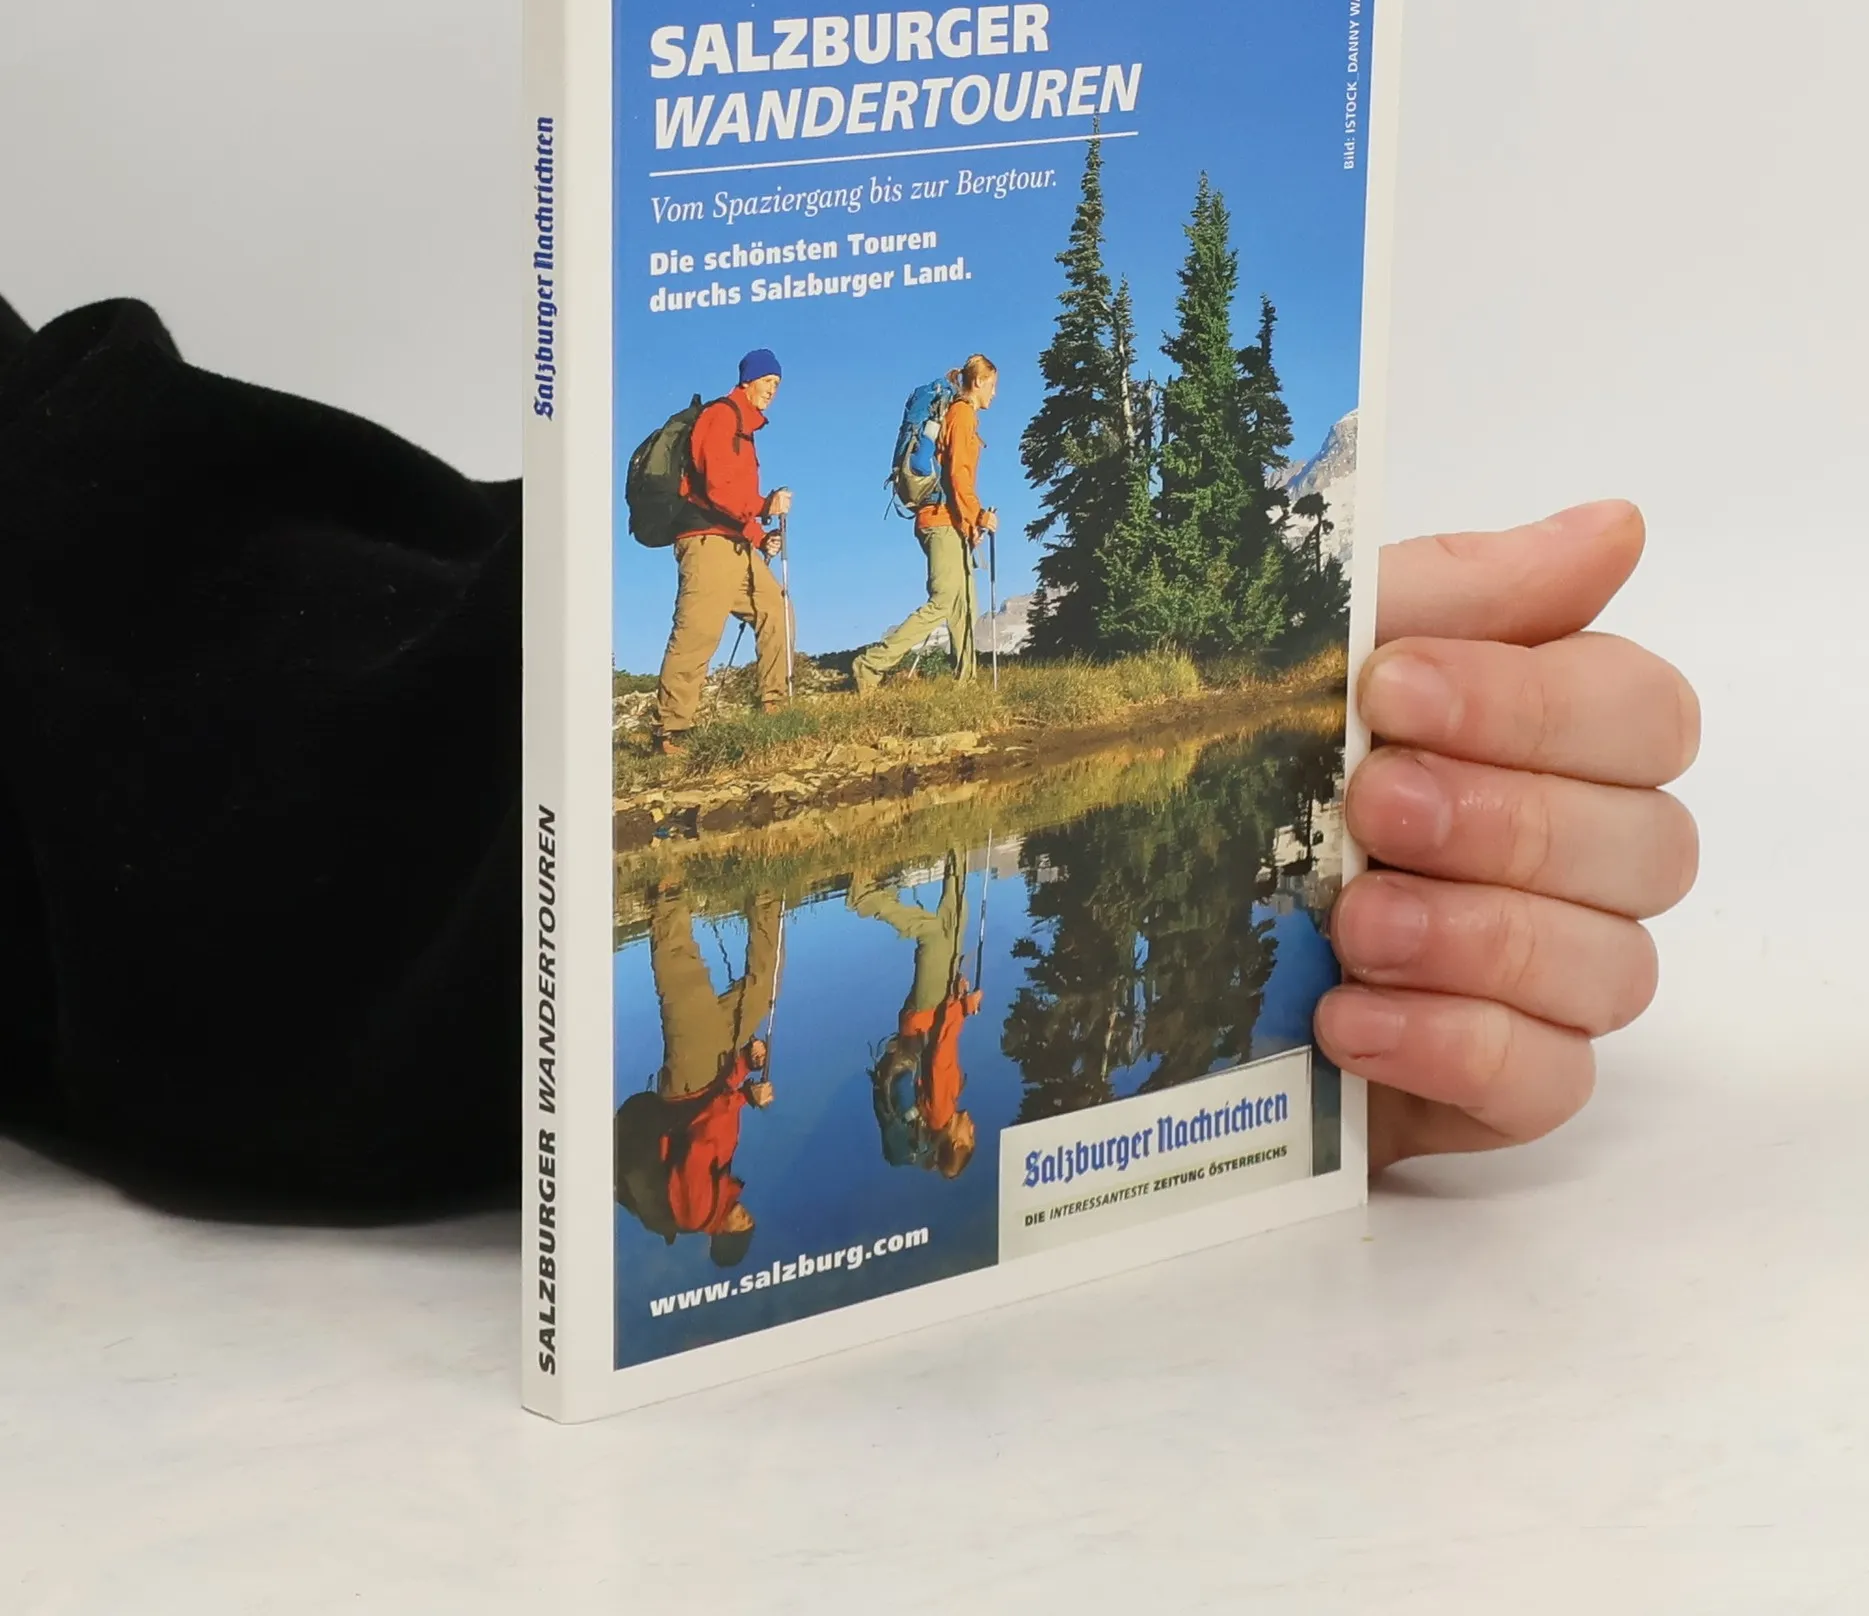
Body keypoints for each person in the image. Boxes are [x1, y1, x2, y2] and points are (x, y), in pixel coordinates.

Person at [0, 293, 1699, 1207]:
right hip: (704, 619)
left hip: (582, 792)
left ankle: (838, 768)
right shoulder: (800, 429)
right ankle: (794, 763)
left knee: (853, 660)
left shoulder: (838, 425)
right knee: (851, 640)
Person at [613, 888, 781, 1268]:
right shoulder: (723, 1186)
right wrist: (745, 1064)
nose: (746, 1217)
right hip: (717, 1071)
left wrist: (747, 1098)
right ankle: (768, 894)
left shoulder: (697, 1212)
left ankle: (668, 899)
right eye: (749, 1221)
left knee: (685, 985)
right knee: (763, 992)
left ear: (722, 1234)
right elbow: (719, 1105)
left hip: (690, 1081)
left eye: (741, 1226)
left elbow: (699, 1138)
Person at [653, 347, 794, 755]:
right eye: (767, 381)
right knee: (698, 633)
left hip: (734, 542)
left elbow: (734, 500)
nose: (773, 389)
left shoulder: (744, 430)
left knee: (776, 609)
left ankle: (774, 705)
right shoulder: (721, 417)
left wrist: (758, 536)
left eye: (777, 383)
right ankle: (670, 731)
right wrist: (765, 506)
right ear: (748, 380)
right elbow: (717, 490)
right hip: (705, 541)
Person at [852, 353, 999, 693]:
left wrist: (969, 524)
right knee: (944, 600)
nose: (994, 393)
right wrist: (978, 515)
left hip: (949, 520)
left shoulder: (960, 415)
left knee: (965, 605)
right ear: (978, 382)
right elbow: (958, 475)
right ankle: (870, 665)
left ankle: (966, 684)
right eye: (992, 385)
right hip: (941, 519)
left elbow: (954, 476)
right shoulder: (962, 414)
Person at [850, 854, 982, 1178]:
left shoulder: (941, 1111)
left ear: (956, 1142)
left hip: (926, 1014)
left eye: (970, 1137)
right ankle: (957, 850)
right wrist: (958, 997)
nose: (974, 1129)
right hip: (930, 1014)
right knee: (955, 924)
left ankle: (866, 900)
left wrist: (965, 1007)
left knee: (934, 935)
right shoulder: (940, 1112)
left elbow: (941, 1050)